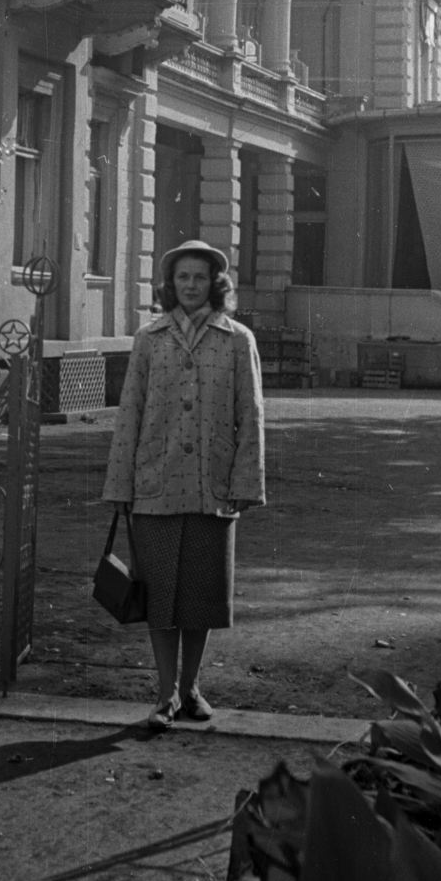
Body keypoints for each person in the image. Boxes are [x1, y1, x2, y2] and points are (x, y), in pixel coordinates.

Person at [102, 240, 265, 728]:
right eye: (181, 278)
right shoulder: (149, 338)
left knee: (200, 595)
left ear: (215, 284)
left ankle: (191, 688)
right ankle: (164, 695)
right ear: (169, 285)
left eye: (199, 278)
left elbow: (251, 415)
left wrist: (245, 481)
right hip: (155, 482)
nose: (190, 286)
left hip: (212, 486)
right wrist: (121, 485)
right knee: (159, 595)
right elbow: (129, 411)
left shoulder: (238, 340)